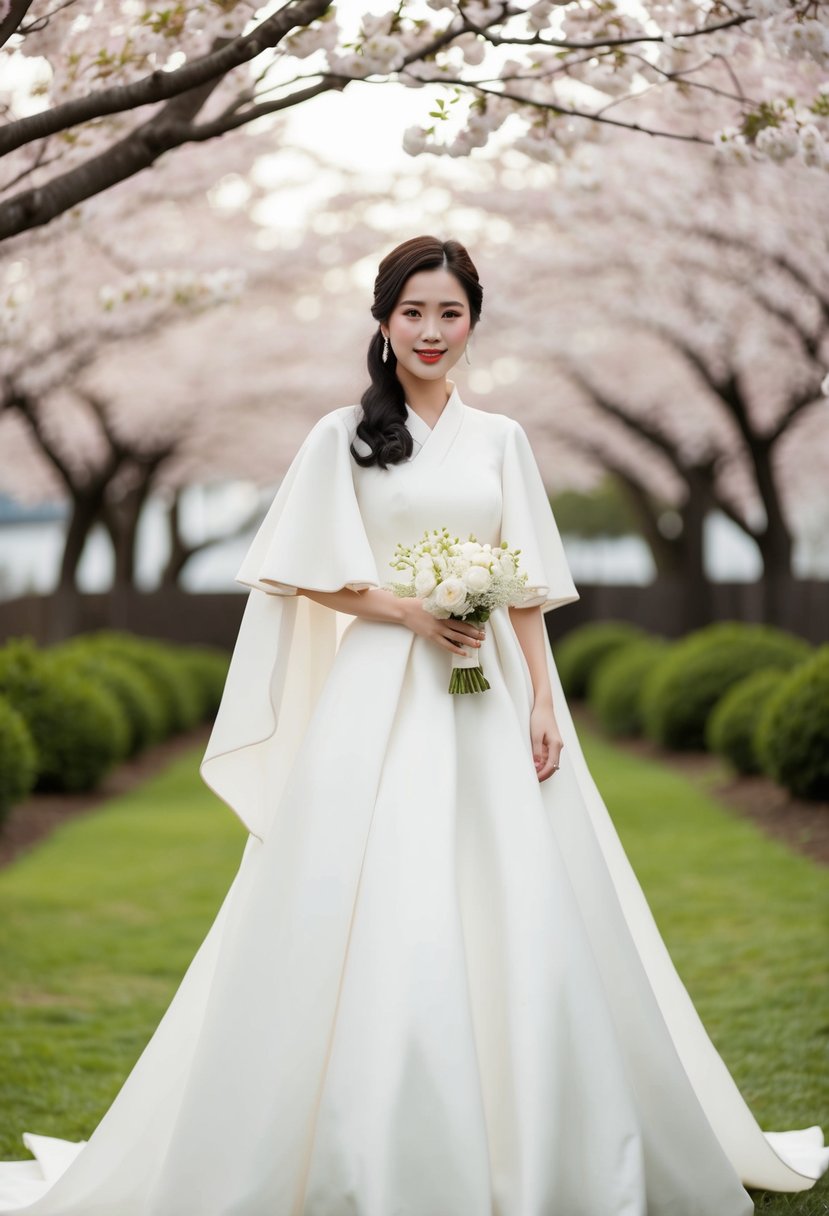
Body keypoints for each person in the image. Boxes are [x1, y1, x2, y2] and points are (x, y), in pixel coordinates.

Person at [0, 235, 826, 1215]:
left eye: (450, 313)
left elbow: (524, 584)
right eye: (412, 312)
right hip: (380, 689)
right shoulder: (340, 436)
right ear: (382, 320)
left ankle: (543, 1133)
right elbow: (299, 566)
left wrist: (543, 699)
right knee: (365, 887)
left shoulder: (503, 439)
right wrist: (406, 607)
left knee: (520, 886)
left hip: (490, 688)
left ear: (474, 320)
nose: (431, 332)